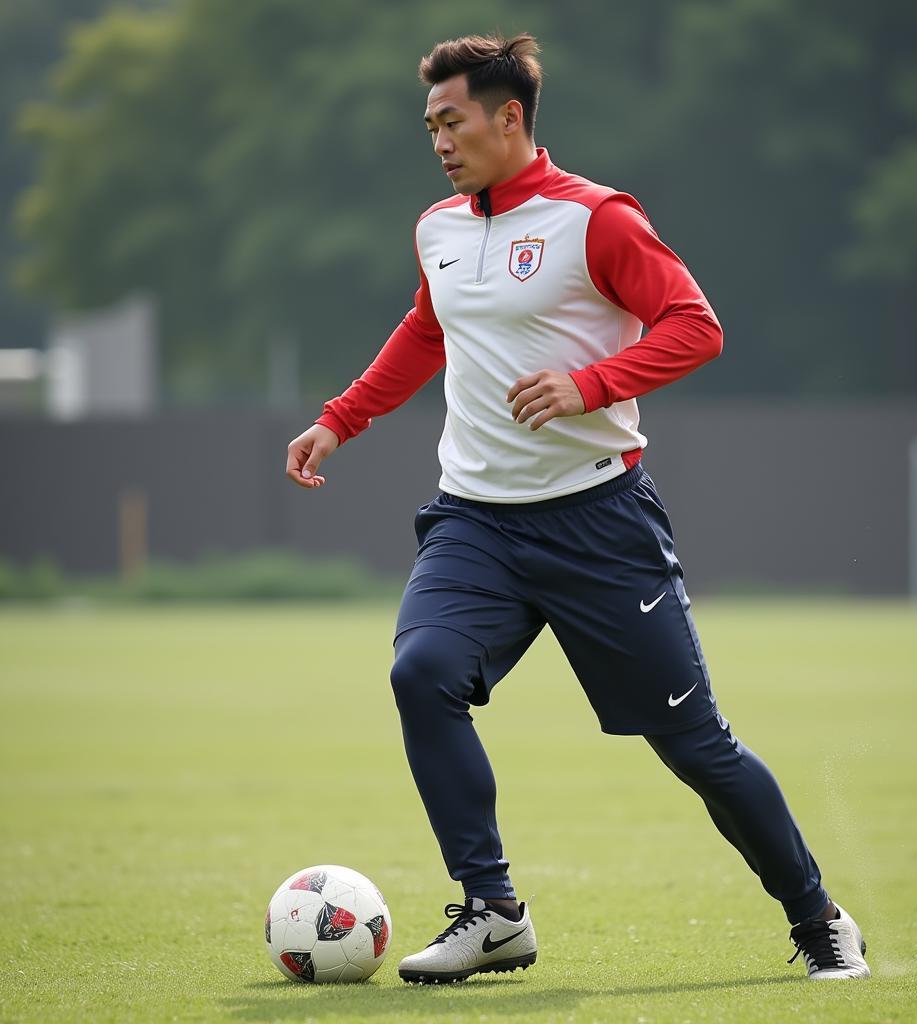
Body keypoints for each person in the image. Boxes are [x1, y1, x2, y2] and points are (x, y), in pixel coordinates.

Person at [286, 32, 870, 985]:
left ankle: (818, 916)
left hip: (600, 527)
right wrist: (338, 420)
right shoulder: (438, 227)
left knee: (696, 748)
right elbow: (427, 328)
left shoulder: (596, 219)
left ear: (508, 116)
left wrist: (589, 384)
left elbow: (696, 326)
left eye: (452, 120)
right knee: (421, 673)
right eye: (430, 124)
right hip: (474, 520)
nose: (438, 139)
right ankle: (493, 912)